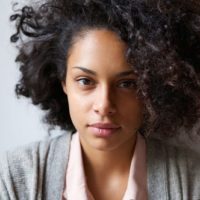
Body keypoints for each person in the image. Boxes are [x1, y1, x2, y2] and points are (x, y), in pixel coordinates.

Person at [0, 0, 200, 199]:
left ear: (154, 87)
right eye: (85, 81)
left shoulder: (193, 181)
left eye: (127, 84)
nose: (104, 105)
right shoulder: (13, 179)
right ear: (63, 82)